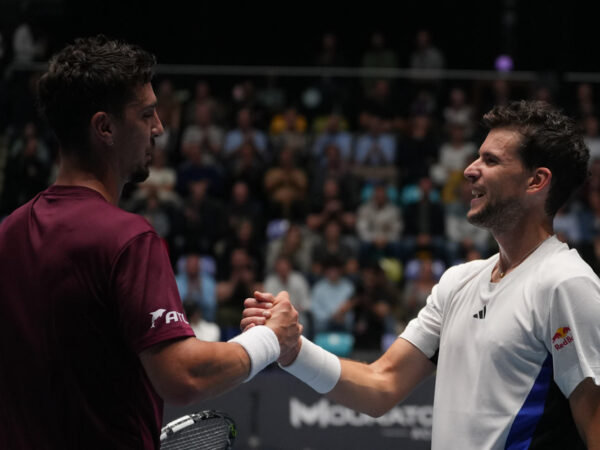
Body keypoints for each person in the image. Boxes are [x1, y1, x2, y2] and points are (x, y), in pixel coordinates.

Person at [0, 35, 301, 449]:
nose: (159, 127)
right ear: (105, 127)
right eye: (146, 114)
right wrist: (271, 339)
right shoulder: (129, 239)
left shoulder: (8, 233)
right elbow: (183, 376)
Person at [243, 100, 600, 449]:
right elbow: (381, 385)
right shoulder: (457, 282)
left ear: (536, 181)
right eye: (478, 156)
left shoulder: (566, 283)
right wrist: (292, 350)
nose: (469, 169)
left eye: (490, 160)